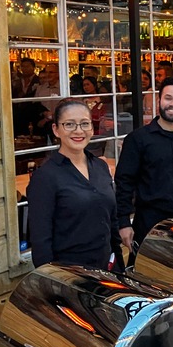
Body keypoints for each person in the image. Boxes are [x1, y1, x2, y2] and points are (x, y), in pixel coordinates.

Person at [115, 77, 173, 260]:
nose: (172, 104)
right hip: (149, 224)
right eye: (168, 98)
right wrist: (123, 222)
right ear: (159, 100)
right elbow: (124, 183)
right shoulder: (138, 139)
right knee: (145, 278)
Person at [27, 99, 120, 270]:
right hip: (70, 275)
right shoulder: (45, 176)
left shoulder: (100, 167)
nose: (78, 131)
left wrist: (118, 264)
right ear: (56, 129)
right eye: (69, 124)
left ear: (92, 128)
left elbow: (111, 221)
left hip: (107, 270)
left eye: (85, 124)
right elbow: (41, 241)